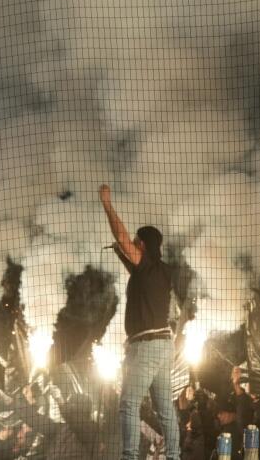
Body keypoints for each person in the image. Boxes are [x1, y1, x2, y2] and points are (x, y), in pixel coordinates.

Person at [98, 183, 180, 460]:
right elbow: (135, 267)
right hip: (163, 345)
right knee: (165, 408)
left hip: (145, 347)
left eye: (135, 242)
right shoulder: (162, 270)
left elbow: (121, 236)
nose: (131, 243)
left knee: (128, 404)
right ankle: (174, 457)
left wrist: (107, 204)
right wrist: (121, 253)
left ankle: (130, 457)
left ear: (142, 245)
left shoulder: (145, 267)